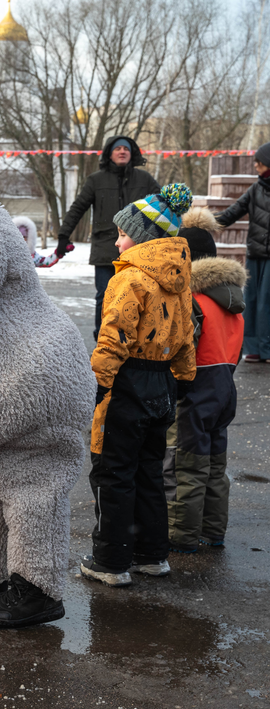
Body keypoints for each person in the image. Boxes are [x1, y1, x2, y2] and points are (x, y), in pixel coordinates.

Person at [81, 183, 196, 588]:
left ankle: (110, 561)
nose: (117, 242)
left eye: (122, 234)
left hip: (127, 381)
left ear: (144, 238)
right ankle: (151, 554)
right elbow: (186, 335)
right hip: (163, 382)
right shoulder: (180, 279)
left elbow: (115, 335)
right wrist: (183, 378)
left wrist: (98, 382)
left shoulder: (130, 278)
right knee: (149, 470)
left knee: (113, 472)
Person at [164, 209, 246, 553]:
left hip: (194, 392)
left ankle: (179, 535)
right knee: (214, 465)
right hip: (224, 388)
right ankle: (212, 531)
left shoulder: (192, 301)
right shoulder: (232, 303)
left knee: (185, 466)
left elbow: (182, 351)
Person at [56, 136, 161, 339]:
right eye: (117, 148)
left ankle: (134, 340)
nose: (122, 151)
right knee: (104, 296)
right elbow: (78, 208)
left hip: (137, 250)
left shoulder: (144, 179)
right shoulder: (96, 180)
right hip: (105, 249)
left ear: (132, 153)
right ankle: (103, 339)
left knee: (137, 296)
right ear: (109, 154)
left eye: (126, 149)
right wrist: (63, 236)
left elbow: (162, 206)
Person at [216, 142, 270, 362]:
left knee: (267, 301)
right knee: (252, 300)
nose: (256, 165)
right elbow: (233, 212)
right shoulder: (255, 189)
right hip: (255, 253)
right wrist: (206, 223)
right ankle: (252, 348)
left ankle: (267, 348)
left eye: (259, 162)